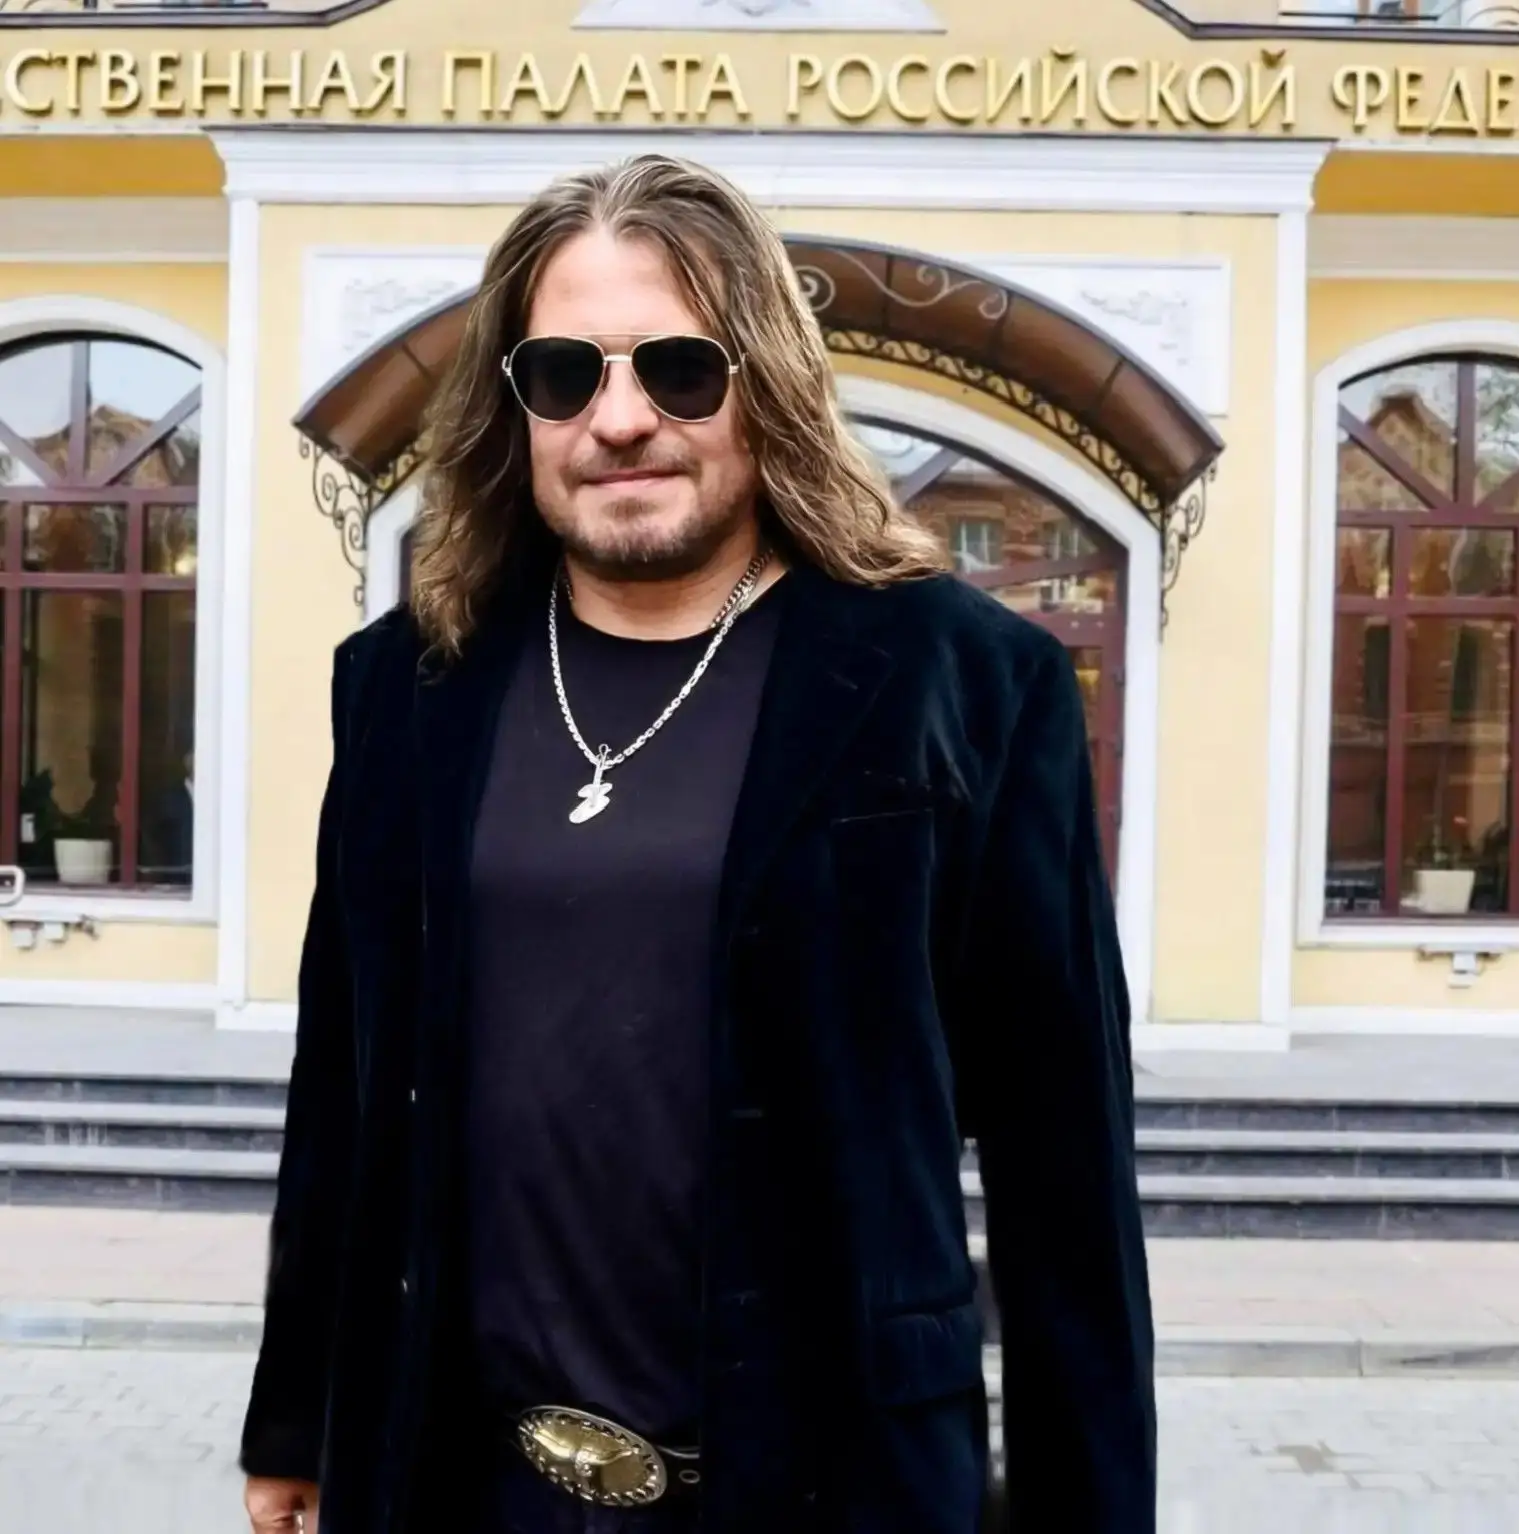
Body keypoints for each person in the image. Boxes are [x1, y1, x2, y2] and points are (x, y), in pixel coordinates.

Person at [237, 153, 1154, 1534]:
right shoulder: (407, 685)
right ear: (515, 408)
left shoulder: (962, 682)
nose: (621, 420)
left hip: (830, 1491)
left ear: (767, 382)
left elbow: (1062, 1164)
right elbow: (346, 1088)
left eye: (679, 369)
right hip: (462, 1486)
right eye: (565, 375)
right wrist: (298, 1418)